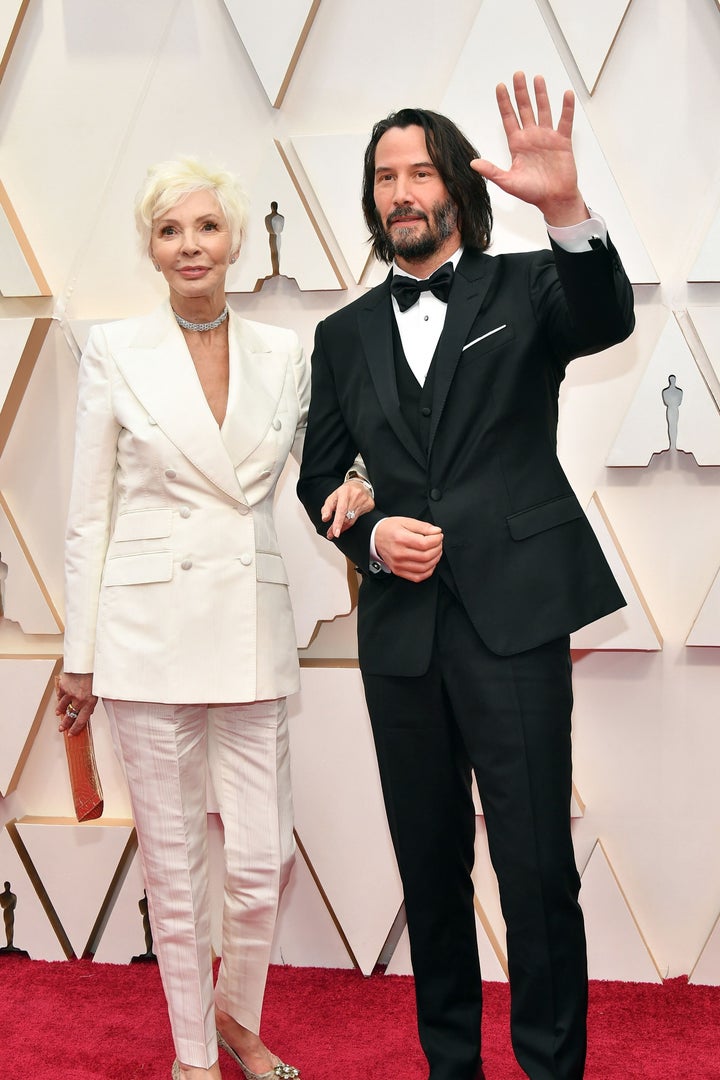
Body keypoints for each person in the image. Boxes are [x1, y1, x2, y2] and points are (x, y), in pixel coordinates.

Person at [297, 73, 635, 1080]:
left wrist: (566, 207)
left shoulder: (526, 286)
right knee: (430, 870)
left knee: (534, 868)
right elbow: (323, 475)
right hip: (401, 635)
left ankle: (550, 1066)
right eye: (384, 176)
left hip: (516, 621)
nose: (401, 191)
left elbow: (605, 316)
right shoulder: (341, 333)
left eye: (420, 171)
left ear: (456, 189)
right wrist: (369, 540)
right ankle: (451, 1063)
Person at [55, 157, 374, 1080]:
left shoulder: (287, 353)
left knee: (261, 859)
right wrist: (79, 656)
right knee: (176, 865)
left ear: (233, 240)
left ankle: (238, 1018)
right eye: (170, 231)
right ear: (152, 251)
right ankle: (194, 1057)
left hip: (249, 622)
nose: (190, 246)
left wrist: (359, 484)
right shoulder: (115, 351)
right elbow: (88, 514)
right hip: (145, 633)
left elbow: (326, 464)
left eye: (204, 227)